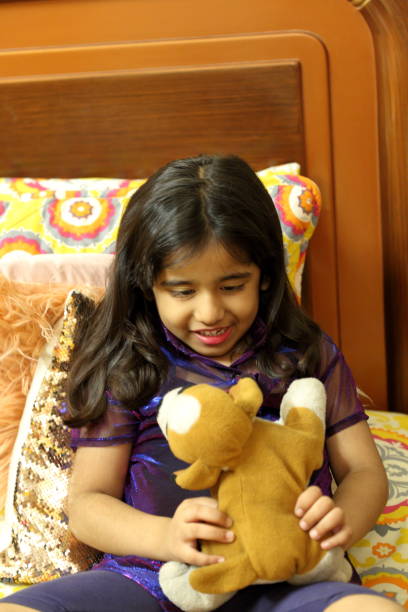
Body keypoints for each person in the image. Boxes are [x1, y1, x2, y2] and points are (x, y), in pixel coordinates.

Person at [0, 154, 400, 612]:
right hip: (151, 579)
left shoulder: (308, 353)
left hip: (288, 580)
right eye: (183, 291)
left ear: (265, 275)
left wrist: (342, 516)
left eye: (232, 285)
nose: (210, 312)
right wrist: (166, 536)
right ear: (147, 283)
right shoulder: (131, 364)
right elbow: (89, 504)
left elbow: (365, 473)